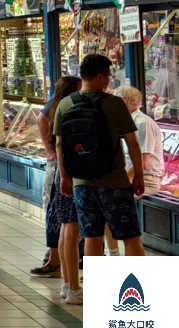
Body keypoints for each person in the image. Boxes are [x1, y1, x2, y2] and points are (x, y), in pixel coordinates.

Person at [55, 53, 145, 287]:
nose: (109, 81)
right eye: (108, 76)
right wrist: (139, 175)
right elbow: (132, 142)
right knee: (131, 238)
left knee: (92, 237)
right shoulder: (114, 103)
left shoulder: (66, 104)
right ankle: (141, 288)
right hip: (114, 182)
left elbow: (59, 144)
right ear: (99, 76)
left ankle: (95, 290)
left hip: (81, 183)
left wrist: (65, 177)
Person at [104, 85, 165, 256]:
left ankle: (117, 256)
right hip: (131, 177)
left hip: (146, 179)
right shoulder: (128, 121)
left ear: (124, 102)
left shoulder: (142, 123)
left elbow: (143, 163)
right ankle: (113, 254)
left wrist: (119, 179)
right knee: (105, 209)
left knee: (111, 209)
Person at [32, 75, 81, 279]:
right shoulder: (67, 103)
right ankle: (58, 262)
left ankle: (59, 262)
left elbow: (42, 119)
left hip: (61, 166)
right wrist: (50, 148)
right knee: (62, 216)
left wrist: (50, 149)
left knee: (60, 216)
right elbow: (42, 120)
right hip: (66, 167)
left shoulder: (58, 102)